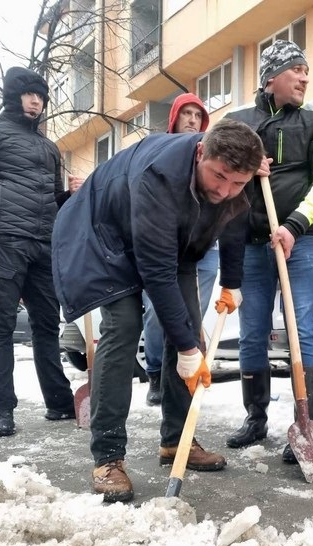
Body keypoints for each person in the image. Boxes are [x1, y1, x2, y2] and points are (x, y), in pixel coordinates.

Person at [52, 119, 265, 503]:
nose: (224, 190)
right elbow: (157, 273)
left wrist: (232, 282)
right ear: (200, 152)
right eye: (218, 176)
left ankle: (177, 440)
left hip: (169, 239)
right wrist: (185, 350)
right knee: (125, 325)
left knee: (190, 331)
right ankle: (108, 457)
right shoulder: (159, 177)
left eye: (237, 182)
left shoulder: (234, 180)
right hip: (103, 236)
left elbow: (234, 220)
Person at [223, 39, 313, 464]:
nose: (305, 78)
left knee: (301, 329)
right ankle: (255, 418)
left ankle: (306, 424)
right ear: (271, 77)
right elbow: (216, 169)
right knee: (252, 333)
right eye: (297, 69)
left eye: (307, 70)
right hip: (252, 243)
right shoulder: (239, 122)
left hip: (301, 239)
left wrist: (295, 225)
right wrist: (245, 166)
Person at [0, 67, 80, 438]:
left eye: (41, 95)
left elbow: (50, 200)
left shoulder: (49, 147)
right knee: (1, 325)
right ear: (13, 94)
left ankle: (59, 402)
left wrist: (69, 196)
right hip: (1, 240)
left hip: (43, 244)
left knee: (47, 324)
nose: (36, 101)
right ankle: (3, 409)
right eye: (29, 93)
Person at [141, 93, 215, 406]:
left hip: (204, 246)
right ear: (174, 117)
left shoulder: (210, 154)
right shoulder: (160, 150)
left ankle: (182, 378)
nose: (192, 120)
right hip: (165, 245)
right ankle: (156, 372)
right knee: (157, 311)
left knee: (192, 315)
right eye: (186, 113)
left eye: (198, 115)